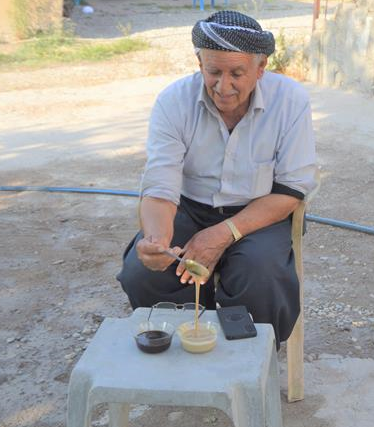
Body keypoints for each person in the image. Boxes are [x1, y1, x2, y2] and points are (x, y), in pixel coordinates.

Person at [117, 10, 317, 346]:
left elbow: (291, 190)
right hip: (190, 209)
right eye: (213, 72)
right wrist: (156, 238)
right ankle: (190, 345)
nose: (223, 87)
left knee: (261, 274)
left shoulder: (290, 101)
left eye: (237, 73)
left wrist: (224, 233)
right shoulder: (173, 101)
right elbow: (160, 186)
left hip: (260, 213)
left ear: (261, 68)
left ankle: (253, 355)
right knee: (144, 272)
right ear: (199, 64)